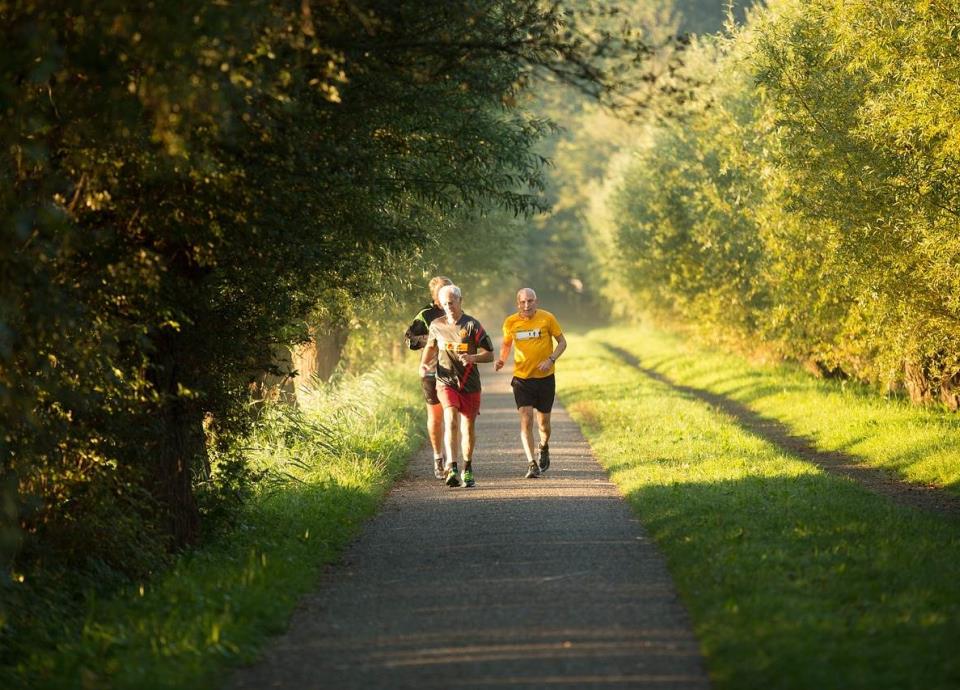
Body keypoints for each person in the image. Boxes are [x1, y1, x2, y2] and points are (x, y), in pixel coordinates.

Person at [419, 284, 494, 488]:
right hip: (446, 381)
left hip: (469, 384)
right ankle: (452, 467)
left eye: (452, 303)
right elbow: (430, 347)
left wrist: (472, 358)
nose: (449, 307)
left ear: (460, 301)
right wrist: (423, 364)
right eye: (445, 304)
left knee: (467, 427)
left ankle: (467, 467)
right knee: (450, 418)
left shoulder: (472, 325)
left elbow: (490, 354)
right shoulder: (436, 325)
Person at [495, 288, 567, 478]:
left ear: (536, 301)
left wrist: (551, 360)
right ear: (518, 303)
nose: (527, 305)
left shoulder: (547, 318)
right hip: (522, 380)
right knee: (526, 420)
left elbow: (562, 343)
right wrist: (501, 360)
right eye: (523, 302)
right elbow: (507, 344)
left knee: (544, 425)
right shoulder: (510, 322)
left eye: (530, 301)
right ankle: (531, 463)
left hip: (545, 379)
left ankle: (543, 446)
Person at [404, 275, 453, 479]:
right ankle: (438, 457)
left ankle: (452, 461)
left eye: (450, 289)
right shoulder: (425, 315)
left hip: (453, 370)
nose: (447, 294)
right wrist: (433, 339)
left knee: (452, 415)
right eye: (442, 291)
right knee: (436, 416)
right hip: (432, 371)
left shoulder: (456, 310)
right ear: (434, 295)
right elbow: (410, 340)